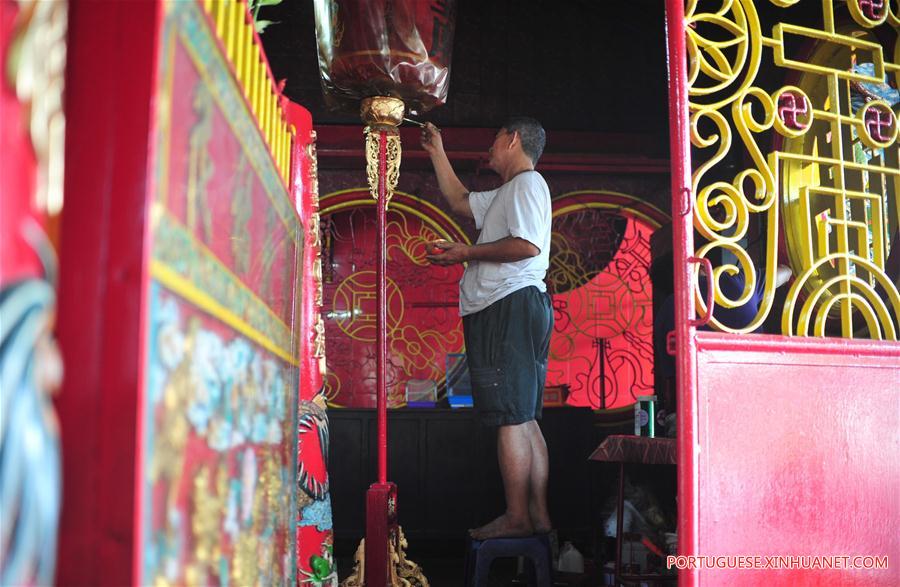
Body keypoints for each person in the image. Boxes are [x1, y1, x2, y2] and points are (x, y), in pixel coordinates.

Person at [421, 118, 553, 540]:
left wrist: (466, 253)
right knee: (524, 416)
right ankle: (537, 516)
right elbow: (460, 201)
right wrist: (436, 150)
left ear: (513, 139)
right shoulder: (508, 192)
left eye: (495, 137)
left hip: (508, 306)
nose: (490, 147)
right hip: (515, 307)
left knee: (511, 417)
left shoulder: (528, 184)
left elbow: (526, 245)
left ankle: (516, 516)